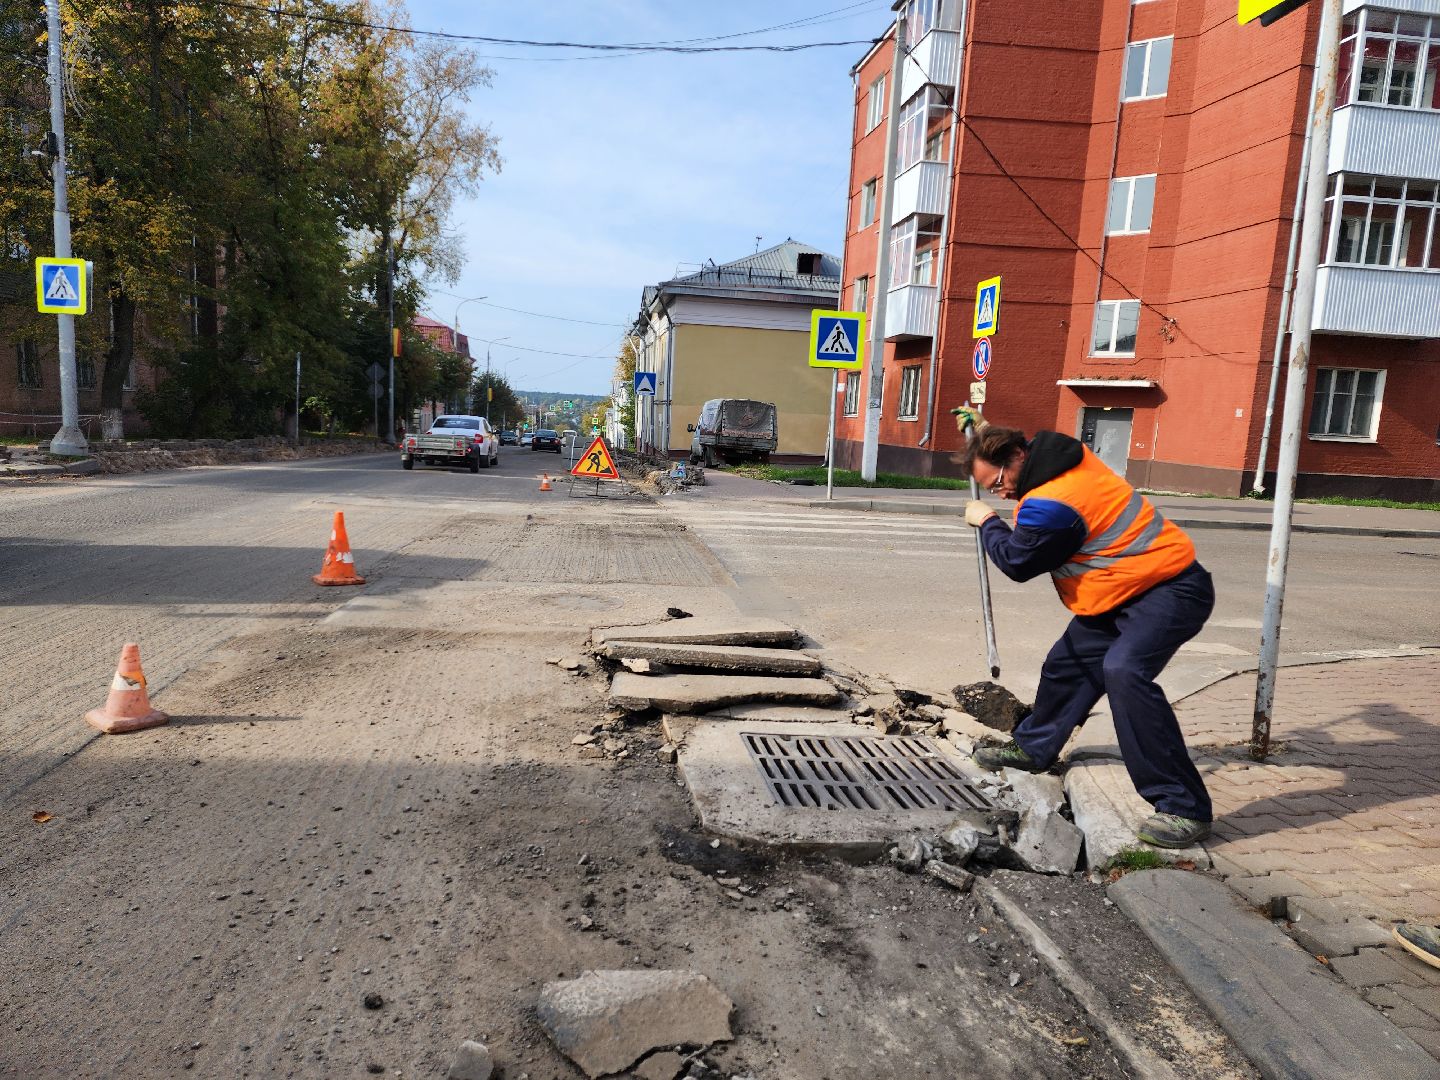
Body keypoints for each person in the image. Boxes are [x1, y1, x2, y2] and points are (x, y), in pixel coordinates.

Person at [954, 407, 1215, 849]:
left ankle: (1183, 805)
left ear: (1018, 457)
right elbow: (1008, 449)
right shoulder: (1056, 454)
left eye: (998, 483)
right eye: (990, 490)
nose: (999, 493)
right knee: (1068, 665)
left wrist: (987, 522)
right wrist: (980, 429)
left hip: (1170, 590)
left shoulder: (1052, 506)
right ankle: (1034, 748)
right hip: (1116, 594)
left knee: (1125, 671)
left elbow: (1018, 562)